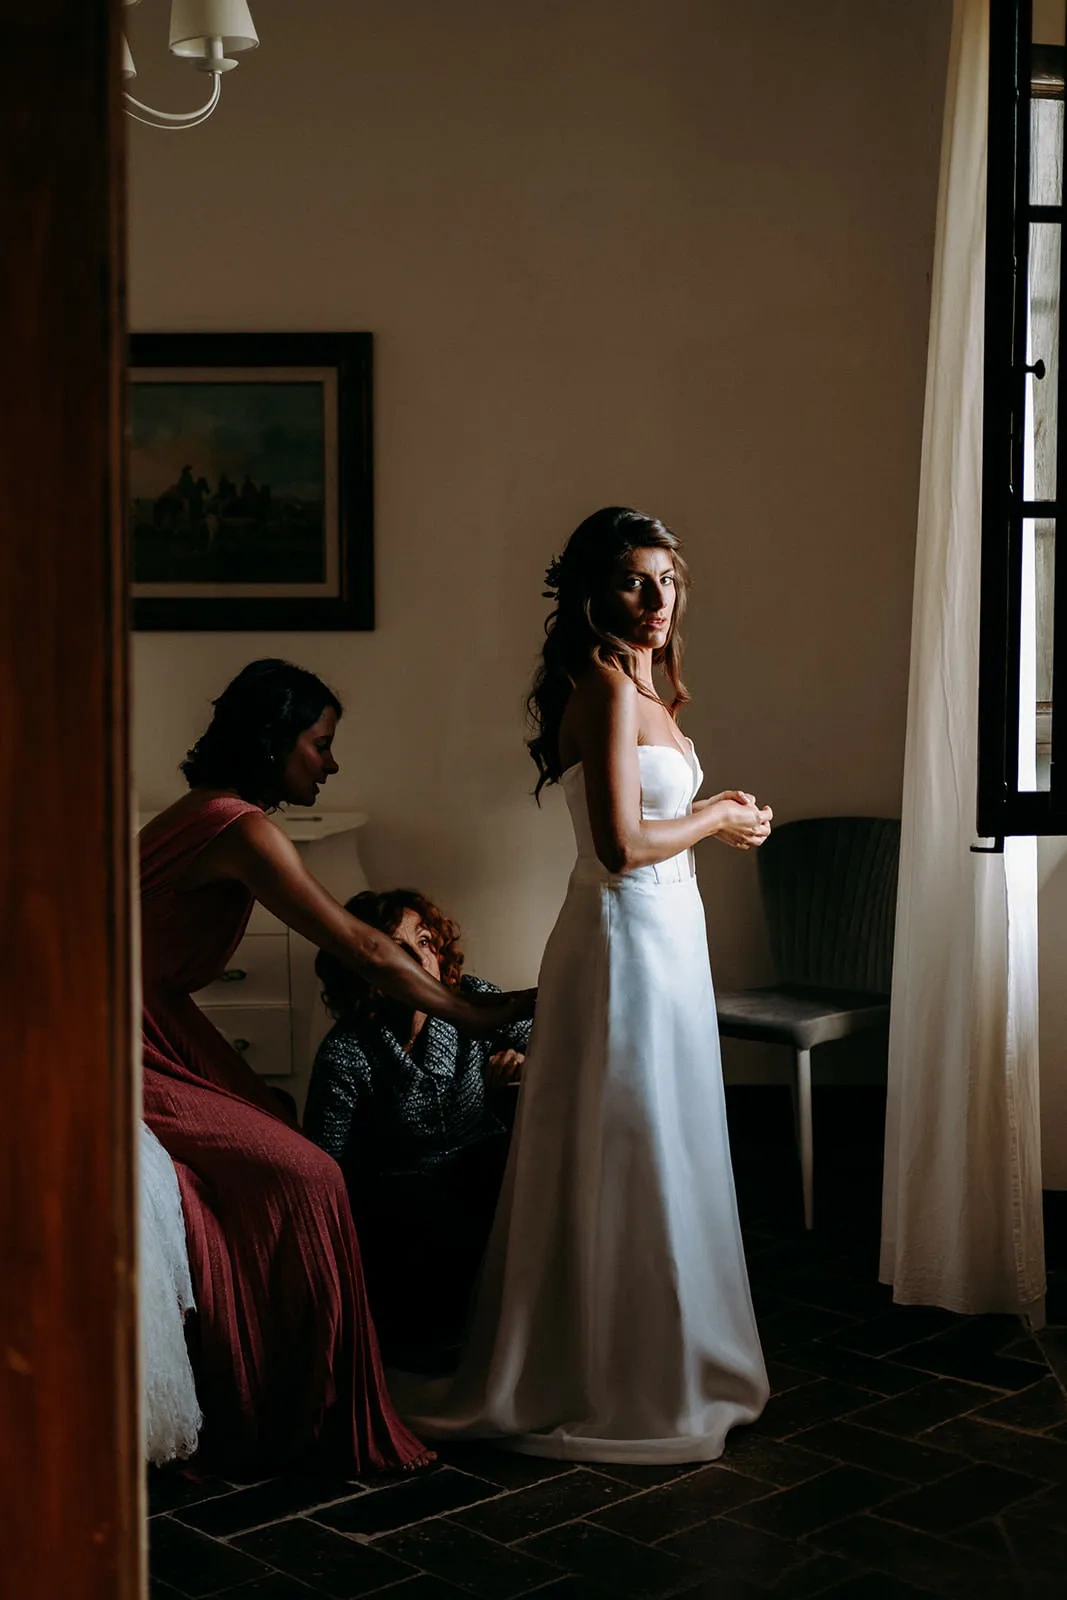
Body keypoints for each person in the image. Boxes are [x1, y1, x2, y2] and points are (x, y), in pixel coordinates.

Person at [393, 507, 771, 1463]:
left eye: (668, 582)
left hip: (668, 936)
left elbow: (656, 830)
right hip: (621, 941)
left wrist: (717, 820)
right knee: (623, 1140)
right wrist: (715, 814)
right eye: (636, 583)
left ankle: (672, 1356)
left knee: (666, 1139)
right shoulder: (601, 685)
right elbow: (618, 846)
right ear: (592, 596)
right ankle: (606, 1372)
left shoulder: (646, 685)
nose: (656, 601)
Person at [139, 658, 533, 1476]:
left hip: (154, 1015)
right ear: (274, 743)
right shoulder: (237, 826)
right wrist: (484, 1010)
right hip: (114, 1026)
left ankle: (272, 1369)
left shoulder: (209, 813)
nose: (331, 761)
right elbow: (360, 948)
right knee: (312, 1175)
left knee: (279, 1135)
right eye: (319, 744)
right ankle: (310, 1412)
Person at [304, 889, 530, 1366]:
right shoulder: (347, 1052)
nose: (418, 957)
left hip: (484, 1172)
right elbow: (326, 1165)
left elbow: (554, 1037)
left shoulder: (475, 1000)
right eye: (395, 948)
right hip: (400, 1206)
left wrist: (525, 1061)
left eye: (425, 940)